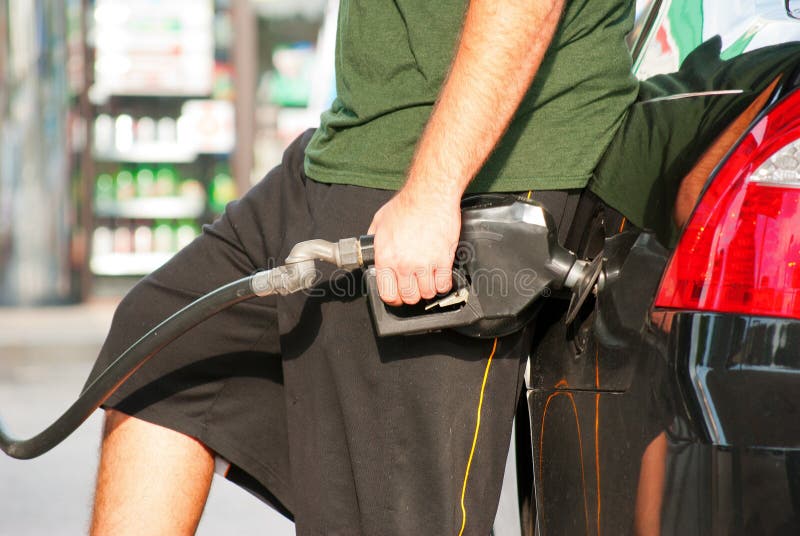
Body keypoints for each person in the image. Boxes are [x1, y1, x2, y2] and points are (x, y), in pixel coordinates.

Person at [85, 0, 639, 534]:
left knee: (395, 517)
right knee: (157, 352)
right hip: (350, 150)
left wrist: (432, 191)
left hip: (463, 173)